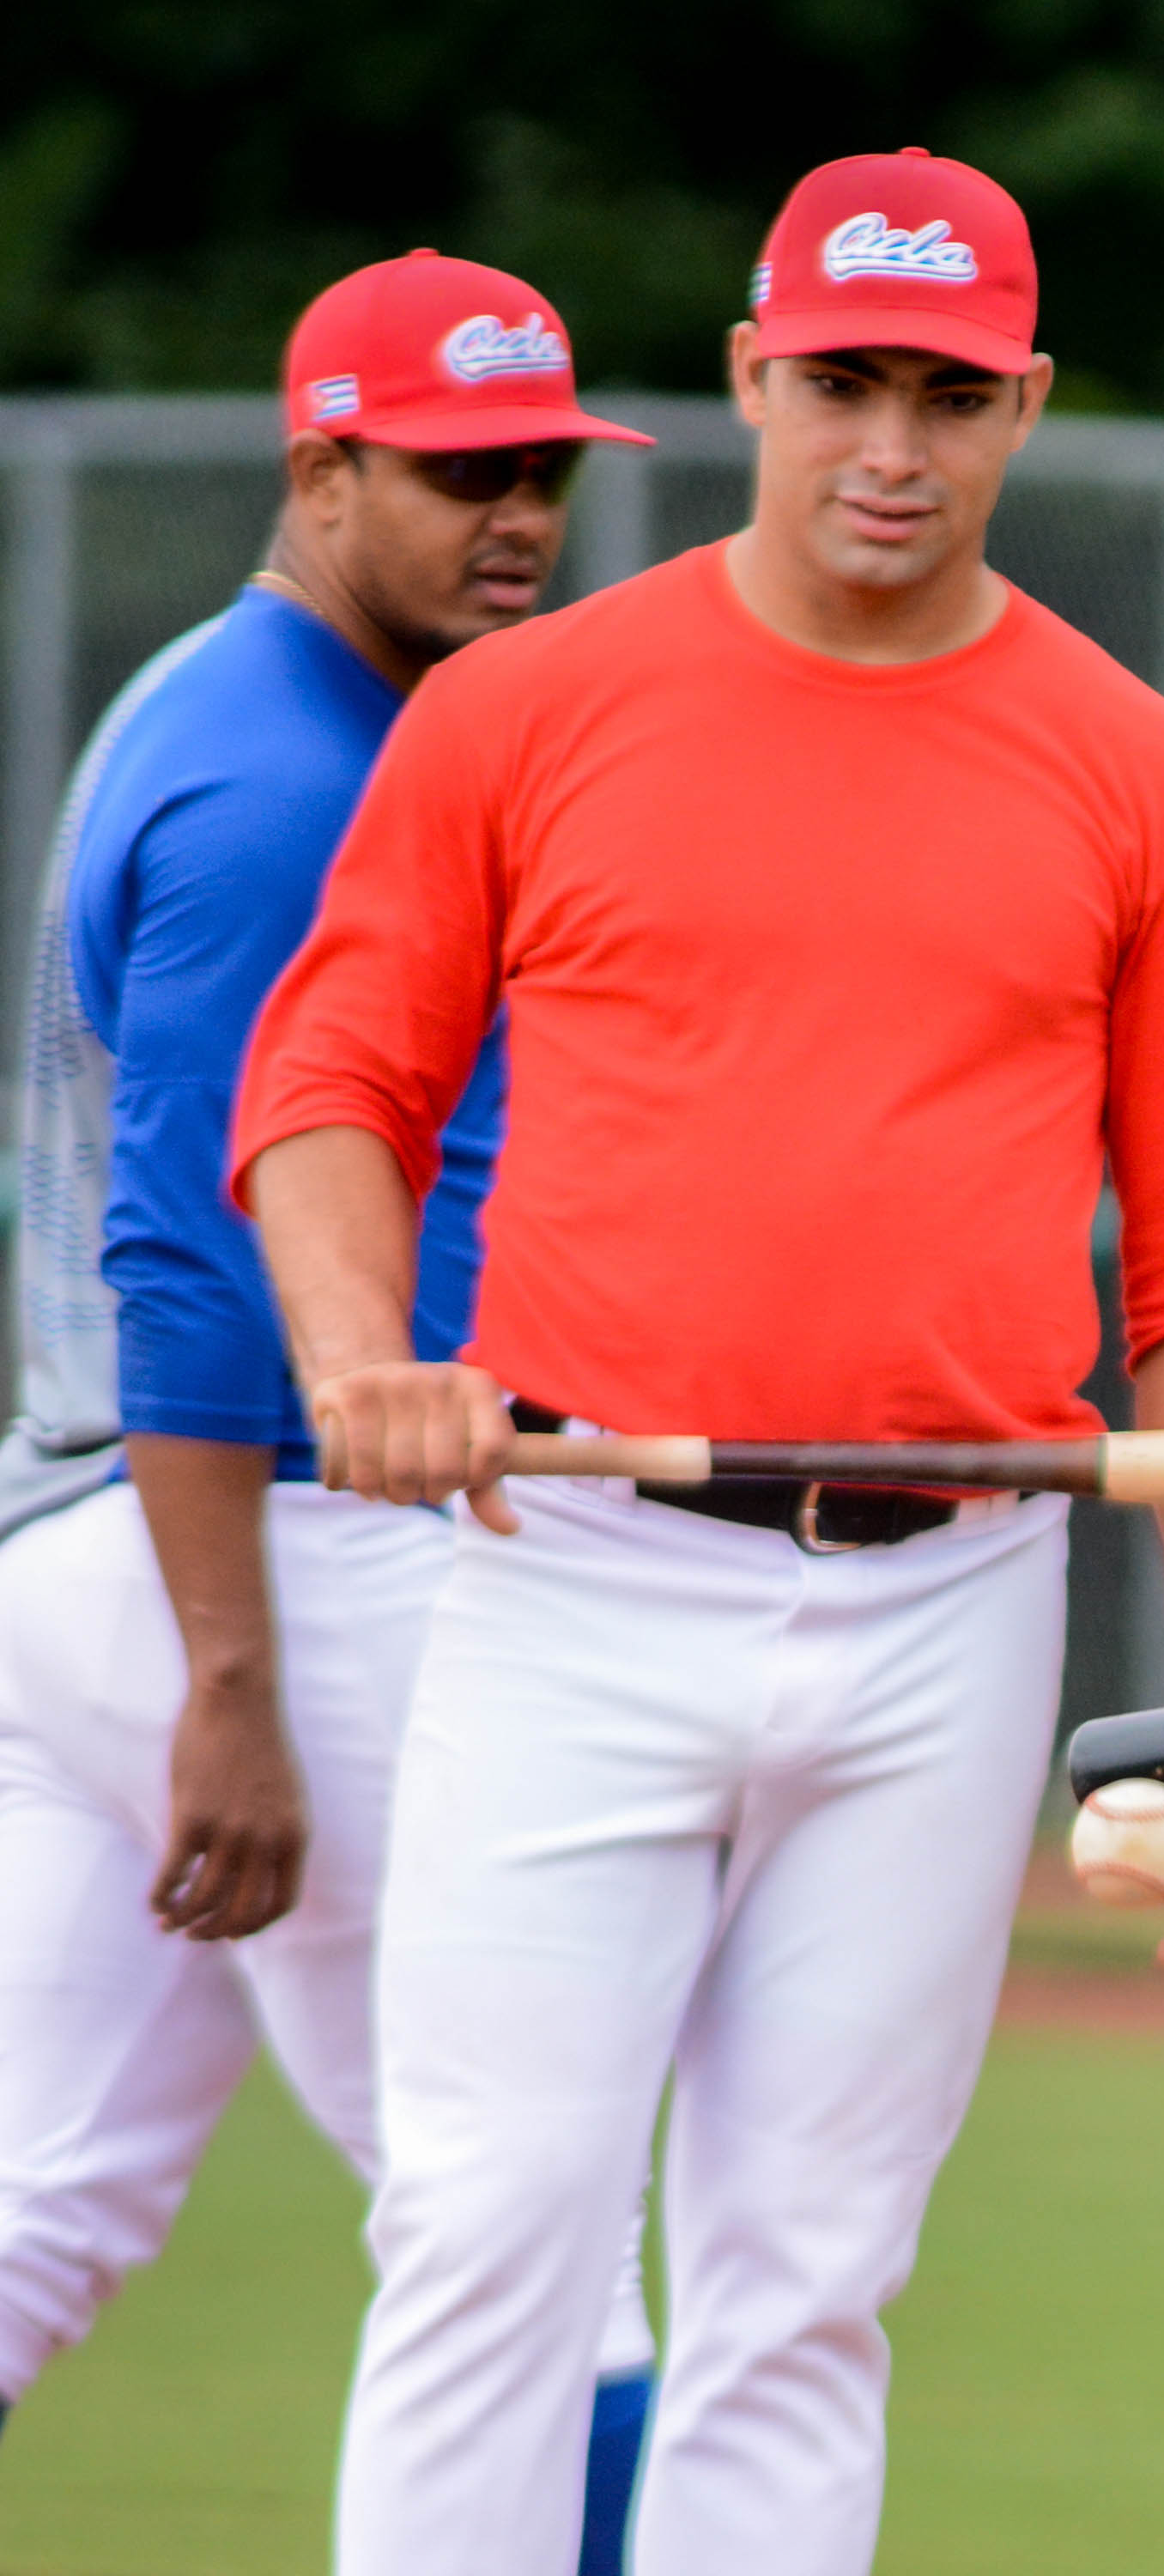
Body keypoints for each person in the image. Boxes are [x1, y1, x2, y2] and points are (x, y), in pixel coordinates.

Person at [230, 149, 1164, 2576]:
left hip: (958, 1595)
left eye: (951, 394)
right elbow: (328, 1091)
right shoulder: (527, 711)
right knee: (488, 2238)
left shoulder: (1150, 773)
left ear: (1027, 405)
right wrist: (359, 1358)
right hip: (572, 1574)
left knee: (810, 2290)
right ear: (751, 376)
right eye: (844, 381)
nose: (892, 446)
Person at [0, 253, 660, 2565]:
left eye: (542, 468)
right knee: (529, 2237)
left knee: (35, 2207)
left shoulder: (253, 701)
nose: (518, 514)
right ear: (321, 468)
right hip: (277, 1551)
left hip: (99, 1555)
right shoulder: (284, 777)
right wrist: (236, 1684)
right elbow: (192, 1246)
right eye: (460, 472)